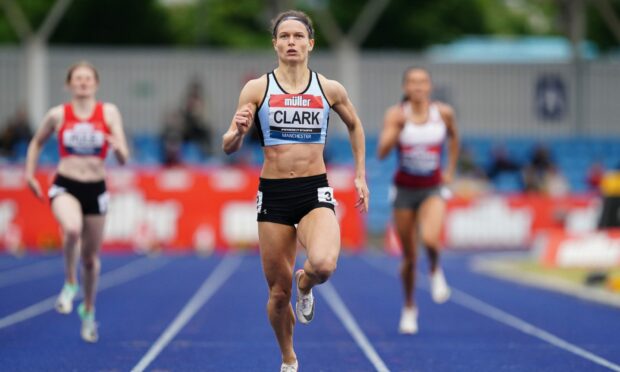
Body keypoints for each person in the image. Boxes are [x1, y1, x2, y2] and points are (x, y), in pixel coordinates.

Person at [222, 10, 369, 371]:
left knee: (323, 264)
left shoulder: (329, 88)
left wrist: (361, 175)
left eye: (298, 36)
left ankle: (306, 283)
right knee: (277, 293)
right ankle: (289, 358)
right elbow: (228, 144)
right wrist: (238, 131)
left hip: (313, 189)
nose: (291, 42)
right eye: (284, 36)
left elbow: (356, 126)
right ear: (274, 44)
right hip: (273, 194)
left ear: (310, 44)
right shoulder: (257, 88)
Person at [24, 61, 129, 343]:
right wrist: (30, 174)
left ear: (96, 83)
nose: (83, 83)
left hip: (96, 188)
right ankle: (70, 282)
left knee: (92, 260)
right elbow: (36, 142)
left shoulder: (108, 112)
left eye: (88, 79)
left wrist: (118, 149)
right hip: (65, 185)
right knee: (71, 229)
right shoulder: (58, 114)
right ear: (69, 84)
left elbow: (124, 157)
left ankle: (89, 310)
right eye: (78, 79)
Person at [377, 66, 459, 335]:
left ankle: (435, 269)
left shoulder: (443, 113)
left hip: (432, 187)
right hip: (404, 190)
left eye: (423, 82)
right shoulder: (396, 115)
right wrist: (397, 130)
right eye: (412, 82)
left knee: (432, 239)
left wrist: (449, 170)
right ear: (405, 88)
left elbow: (454, 139)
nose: (418, 87)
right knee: (410, 257)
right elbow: (381, 152)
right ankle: (410, 306)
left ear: (430, 87)